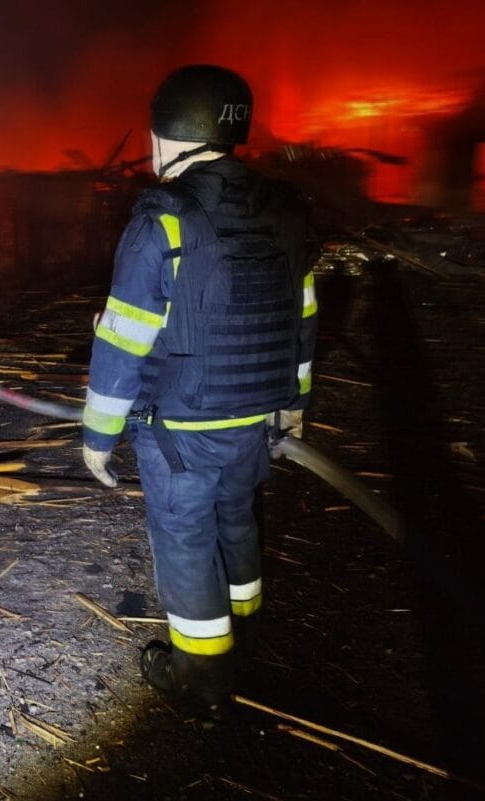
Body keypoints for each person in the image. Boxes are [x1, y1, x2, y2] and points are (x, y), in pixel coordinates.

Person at [81, 65, 317, 721]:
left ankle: (204, 672)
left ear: (171, 138)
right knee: (238, 515)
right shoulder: (285, 214)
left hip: (180, 428)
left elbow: (124, 338)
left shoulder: (164, 220)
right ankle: (246, 621)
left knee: (185, 537)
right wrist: (295, 402)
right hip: (259, 417)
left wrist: (98, 436)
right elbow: (302, 315)